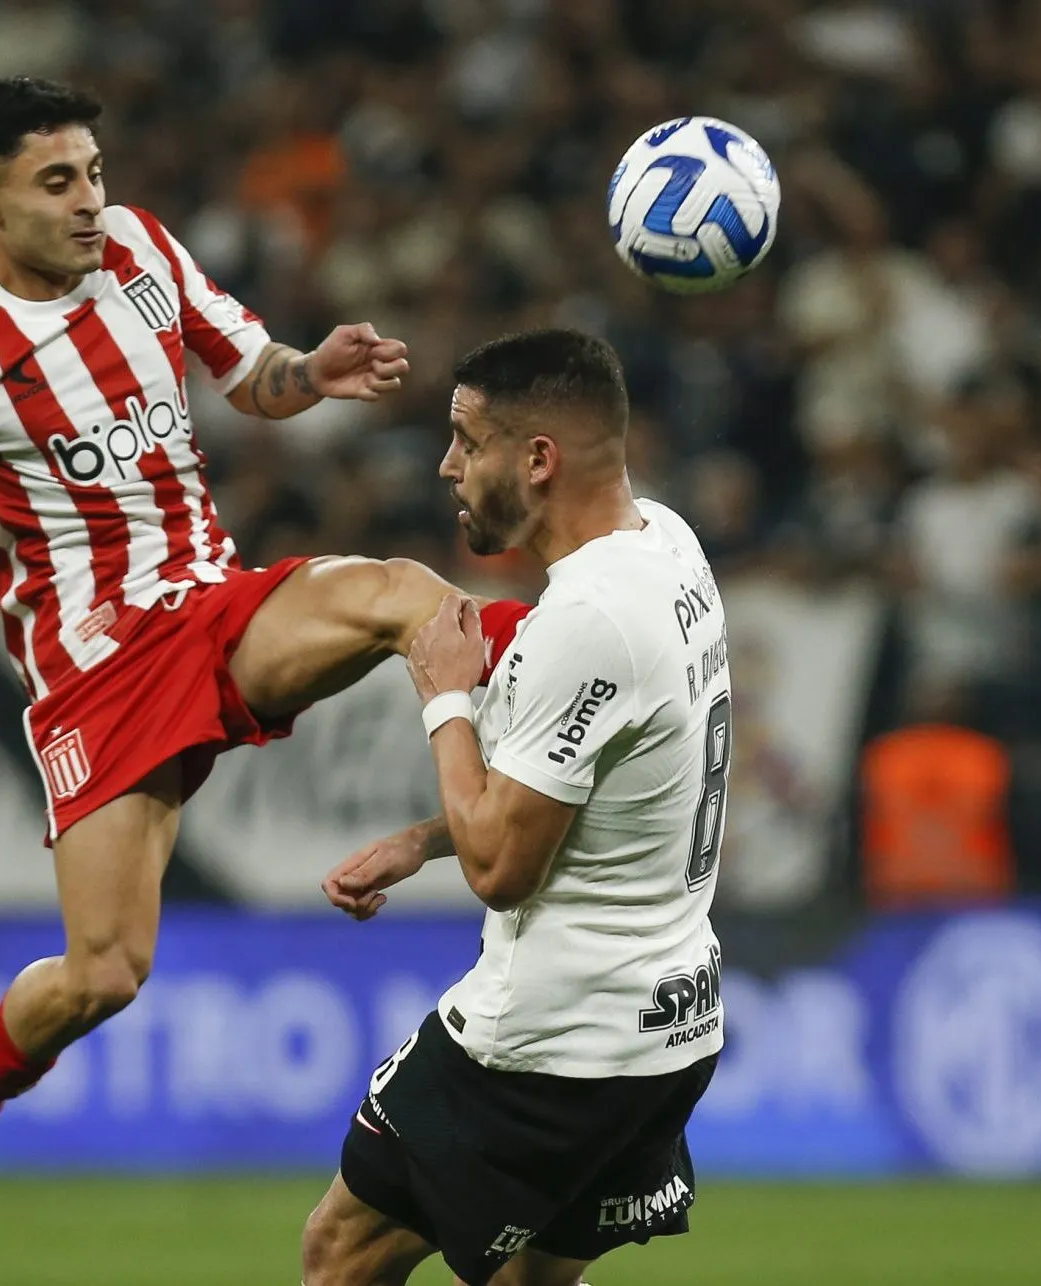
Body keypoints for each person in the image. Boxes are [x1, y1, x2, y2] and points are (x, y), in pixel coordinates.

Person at [0, 77, 525, 1258]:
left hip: (212, 611)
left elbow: (252, 374)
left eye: (94, 172)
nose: (92, 202)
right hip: (92, 677)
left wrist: (312, 370)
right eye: (57, 181)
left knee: (402, 594)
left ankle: (544, 713)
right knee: (104, 972)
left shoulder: (137, 247)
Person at [301, 331, 727, 1286]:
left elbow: (504, 870)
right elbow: (597, 799)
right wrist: (423, 839)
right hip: (669, 1029)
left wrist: (445, 696)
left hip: (550, 1044)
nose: (447, 465)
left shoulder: (587, 621)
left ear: (538, 460)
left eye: (467, 439)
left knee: (340, 1253)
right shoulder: (667, 544)